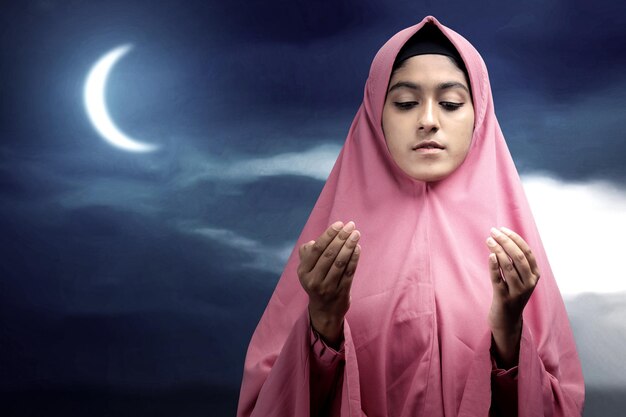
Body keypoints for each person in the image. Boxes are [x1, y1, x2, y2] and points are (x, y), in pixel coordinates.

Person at [236, 15, 585, 417]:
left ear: (480, 114)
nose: (428, 120)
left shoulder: (512, 253)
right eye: (405, 102)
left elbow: (561, 406)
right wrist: (322, 324)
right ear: (375, 112)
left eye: (451, 103)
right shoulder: (331, 251)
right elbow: (266, 404)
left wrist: (508, 333)